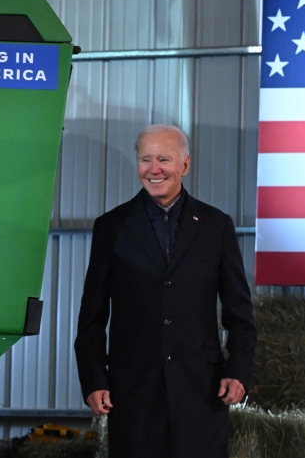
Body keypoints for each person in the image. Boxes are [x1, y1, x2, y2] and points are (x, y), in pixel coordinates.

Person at [74, 124, 256, 458]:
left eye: (164, 159)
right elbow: (92, 316)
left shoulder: (217, 226)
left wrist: (238, 370)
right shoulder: (111, 227)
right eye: (146, 159)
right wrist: (94, 378)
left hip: (202, 390)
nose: (154, 169)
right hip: (133, 391)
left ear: (185, 165)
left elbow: (240, 313)